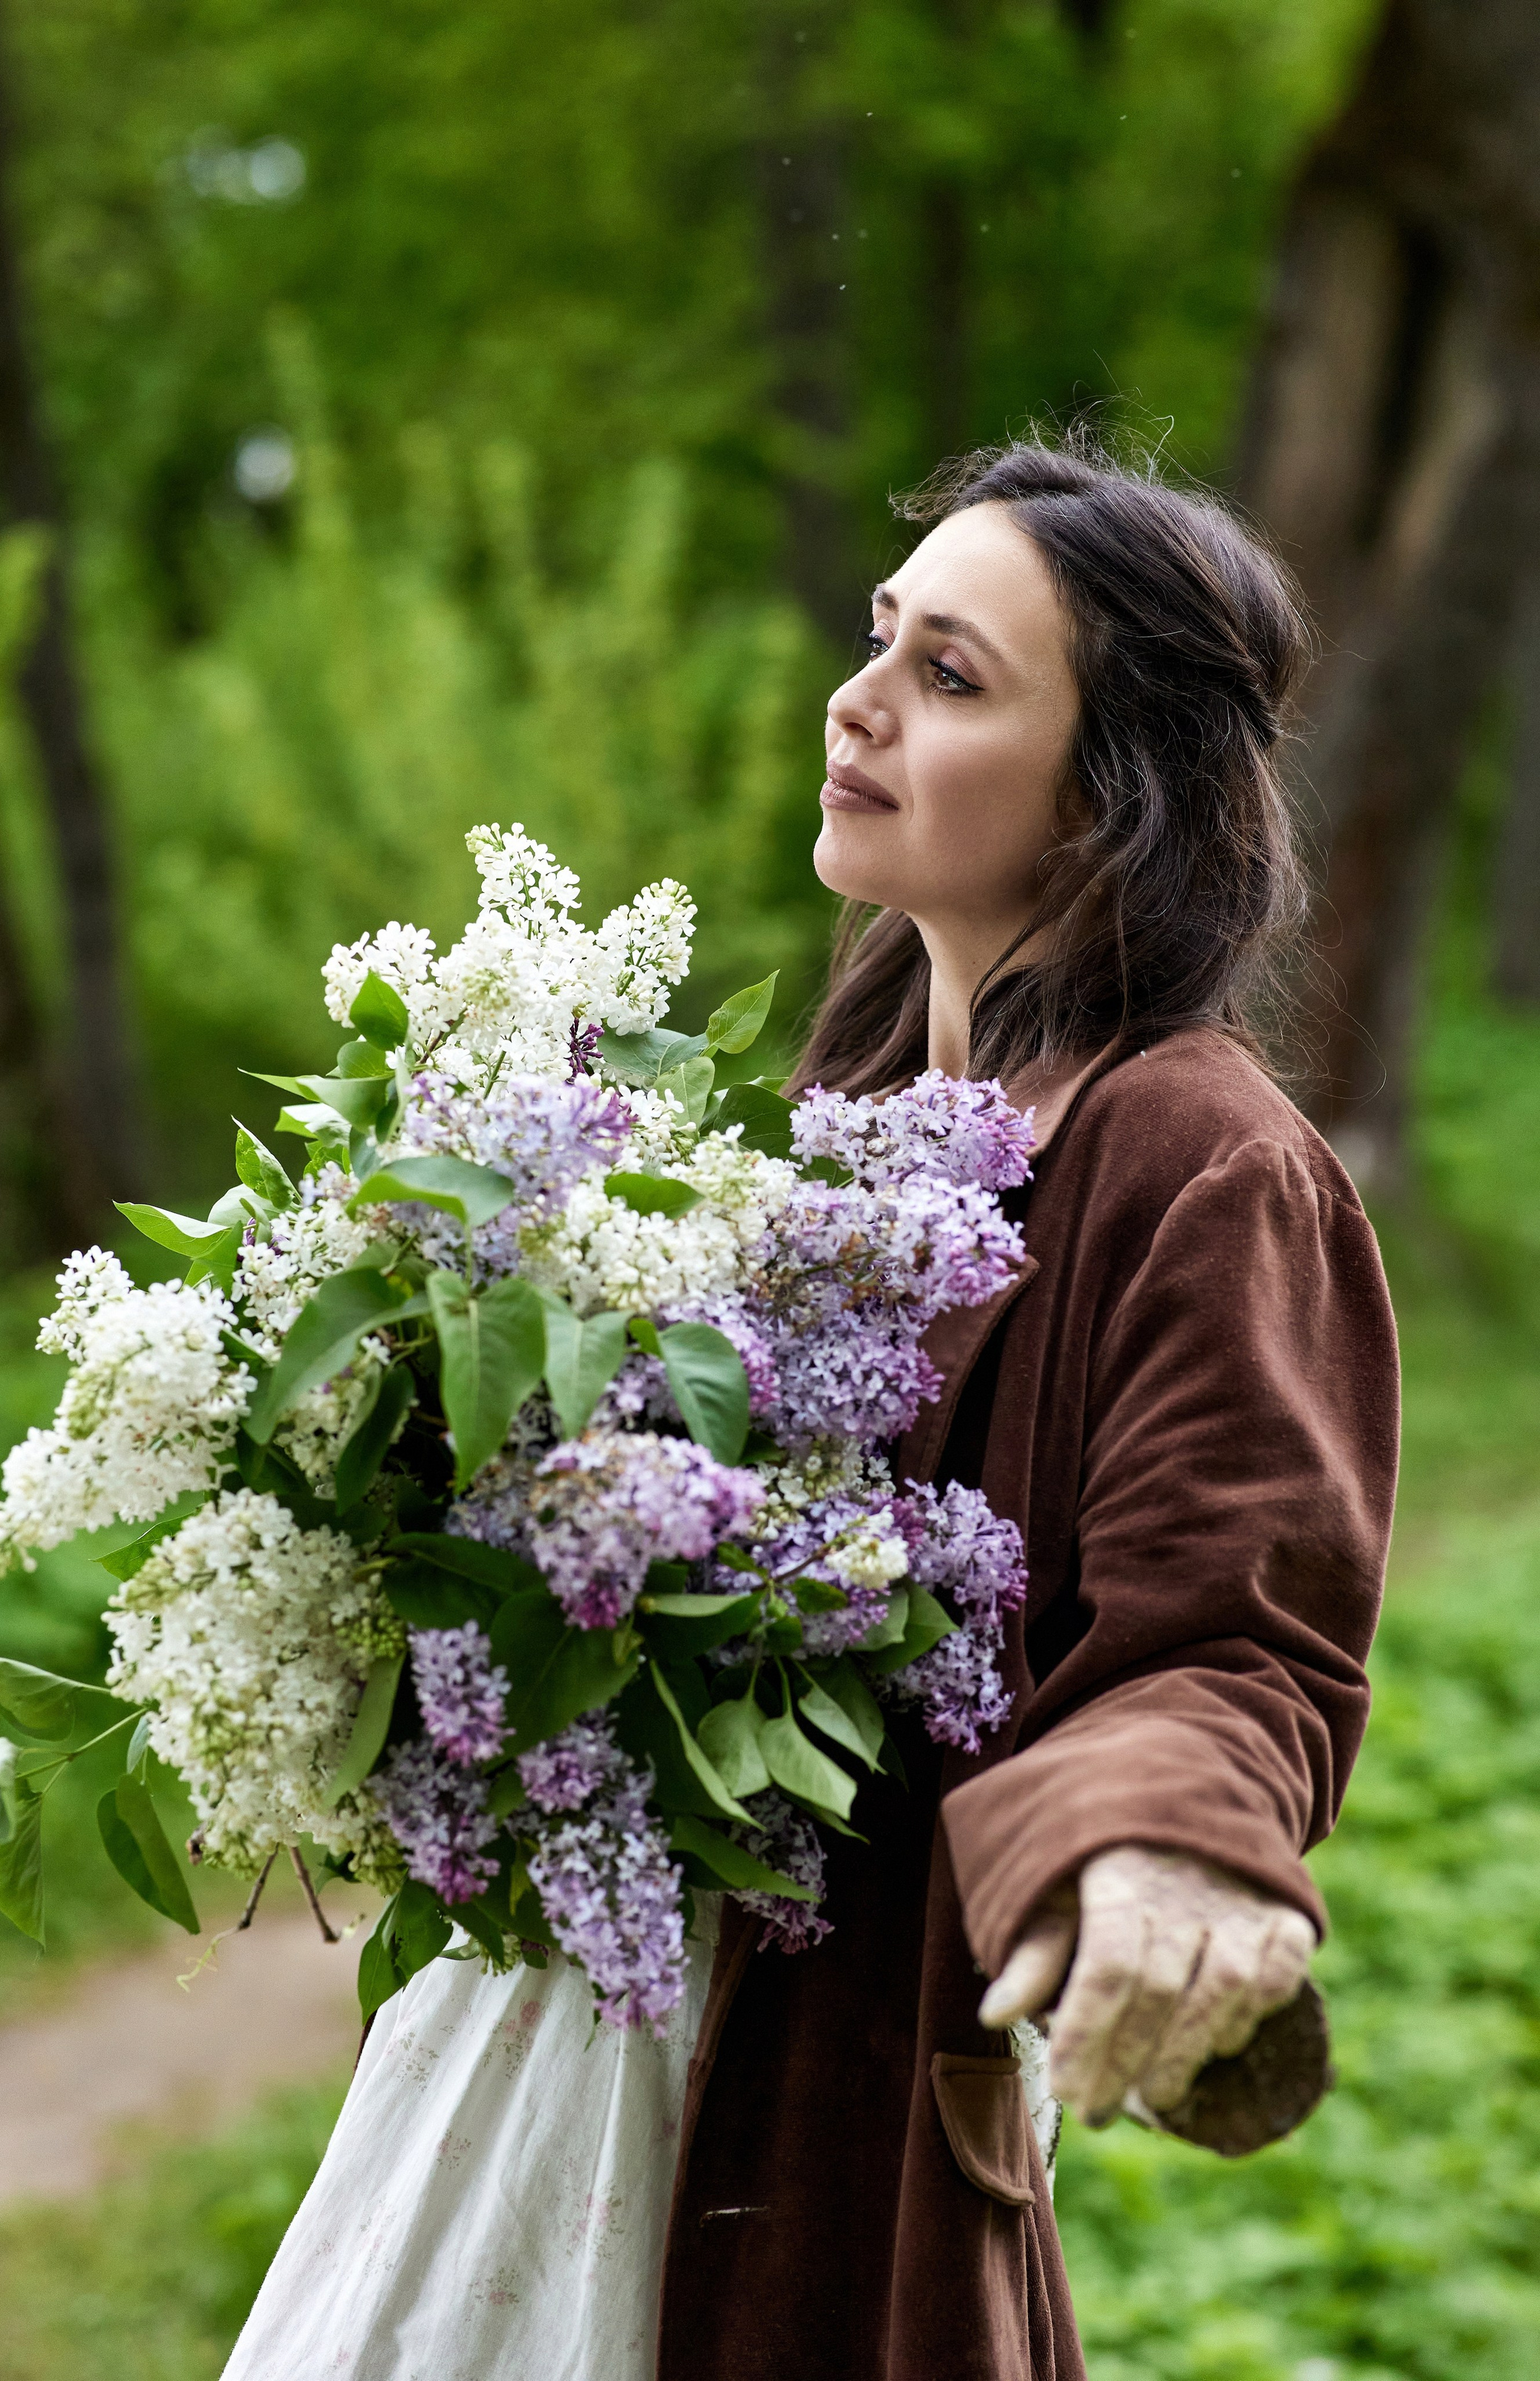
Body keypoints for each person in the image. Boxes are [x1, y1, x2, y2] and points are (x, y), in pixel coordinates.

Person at [224, 434, 1397, 2381]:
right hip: (545, 2049)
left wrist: (1167, 1848)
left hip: (815, 2125)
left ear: (1111, 795)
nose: (857, 703)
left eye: (951, 675)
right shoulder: (831, 1104)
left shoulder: (1203, 1163)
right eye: (881, 637)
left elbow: (1233, 1636)